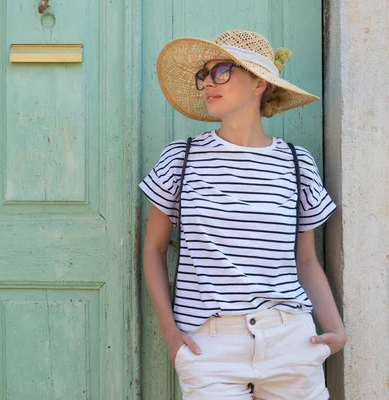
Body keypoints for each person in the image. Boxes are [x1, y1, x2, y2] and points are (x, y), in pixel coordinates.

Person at [139, 30, 347, 400]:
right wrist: (171, 334)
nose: (207, 83)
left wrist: (336, 330)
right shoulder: (181, 159)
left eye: (220, 70)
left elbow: (306, 260)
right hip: (210, 347)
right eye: (203, 75)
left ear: (258, 82)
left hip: (291, 341)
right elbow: (154, 250)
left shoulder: (298, 164)